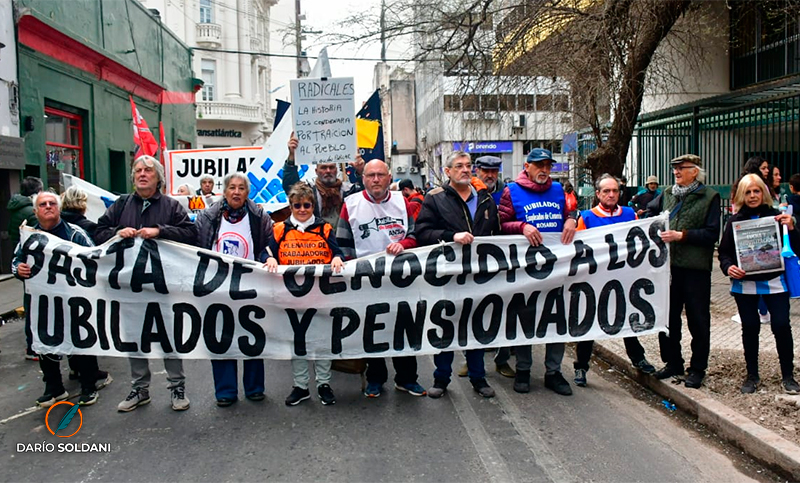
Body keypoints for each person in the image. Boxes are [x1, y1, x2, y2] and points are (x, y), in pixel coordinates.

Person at [95, 155, 198, 412]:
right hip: (130, 286)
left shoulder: (171, 206)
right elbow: (99, 231)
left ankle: (177, 387)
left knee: (167, 337)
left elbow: (191, 234)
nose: (142, 174)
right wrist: (116, 233)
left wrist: (160, 230)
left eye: (148, 171)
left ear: (158, 178)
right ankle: (139, 388)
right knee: (133, 337)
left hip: (163, 286)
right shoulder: (121, 205)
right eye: (138, 170)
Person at [12, 191, 113, 407]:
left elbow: (93, 259)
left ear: (59, 208)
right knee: (45, 342)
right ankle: (54, 388)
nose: (48, 207)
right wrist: (18, 269)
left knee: (81, 342)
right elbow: (16, 260)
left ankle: (88, 386)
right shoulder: (28, 236)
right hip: (43, 303)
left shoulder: (76, 234)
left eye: (52, 203)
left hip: (75, 302)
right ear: (35, 210)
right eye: (43, 204)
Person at [336, 159, 427, 398]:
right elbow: (343, 244)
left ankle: (407, 379)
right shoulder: (351, 204)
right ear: (363, 178)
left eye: (380, 175)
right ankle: (375, 379)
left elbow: (415, 234)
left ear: (389, 178)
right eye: (371, 175)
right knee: (372, 330)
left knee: (404, 329)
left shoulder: (402, 202)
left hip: (401, 279)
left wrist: (404, 244)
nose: (376, 180)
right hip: (367, 281)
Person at [415, 151, 499, 399]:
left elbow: (498, 231)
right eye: (459, 166)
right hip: (447, 277)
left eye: (468, 165)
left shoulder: (485, 198)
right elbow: (422, 232)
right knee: (446, 328)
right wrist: (452, 237)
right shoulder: (435, 198)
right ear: (448, 172)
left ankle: (478, 378)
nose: (465, 170)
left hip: (478, 275)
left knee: (475, 328)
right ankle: (441, 379)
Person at [498, 148, 577, 396]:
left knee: (557, 318)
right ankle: (523, 369)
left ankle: (553, 371)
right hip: (526, 269)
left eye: (547, 165)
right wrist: (522, 226)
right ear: (527, 166)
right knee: (526, 318)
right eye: (539, 165)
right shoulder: (512, 191)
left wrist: (572, 219)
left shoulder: (558, 190)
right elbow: (500, 224)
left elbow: (570, 213)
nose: (544, 170)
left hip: (556, 268)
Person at [195, 172, 273, 407]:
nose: (236, 192)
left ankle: (254, 387)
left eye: (241, 188)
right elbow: (196, 247)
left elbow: (267, 244)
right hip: (217, 287)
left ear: (247, 193)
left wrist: (268, 257)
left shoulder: (259, 216)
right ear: (224, 192)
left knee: (253, 336)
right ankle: (226, 390)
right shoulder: (208, 217)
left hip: (251, 286)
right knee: (221, 338)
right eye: (232, 188)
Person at [718, 174, 799, 395]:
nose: (752, 196)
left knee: (781, 326)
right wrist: (728, 268)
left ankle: (788, 376)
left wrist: (792, 227)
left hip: (775, 282)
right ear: (742, 195)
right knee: (750, 328)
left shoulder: (777, 217)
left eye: (756, 191)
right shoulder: (734, 221)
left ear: (763, 192)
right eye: (748, 192)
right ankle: (752, 375)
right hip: (744, 284)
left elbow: (795, 247)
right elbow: (724, 252)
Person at [572, 174, 656, 387]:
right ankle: (581, 367)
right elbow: (578, 250)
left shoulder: (629, 214)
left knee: (628, 319)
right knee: (588, 324)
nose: (611, 195)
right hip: (595, 282)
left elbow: (642, 243)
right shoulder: (587, 217)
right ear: (598, 194)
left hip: (624, 279)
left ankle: (638, 358)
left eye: (615, 191)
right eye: (606, 191)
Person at [265, 183, 344, 406]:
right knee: (297, 342)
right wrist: (269, 258)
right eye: (297, 205)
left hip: (320, 296)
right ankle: (300, 386)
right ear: (290, 206)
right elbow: (268, 251)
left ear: (312, 206)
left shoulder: (325, 228)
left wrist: (337, 258)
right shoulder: (280, 229)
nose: (302, 209)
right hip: (291, 297)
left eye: (306, 205)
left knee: (321, 342)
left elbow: (336, 251)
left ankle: (323, 384)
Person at [647, 154, 720, 389]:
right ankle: (673, 362)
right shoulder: (667, 193)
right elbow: (651, 213)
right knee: (668, 318)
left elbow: (712, 234)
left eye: (681, 168)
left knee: (698, 320)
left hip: (695, 269)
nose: (676, 172)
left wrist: (682, 235)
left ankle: (697, 368)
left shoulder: (710, 197)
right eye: (674, 168)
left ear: (695, 171)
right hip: (668, 268)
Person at [283, 132, 360, 228]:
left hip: (343, 240)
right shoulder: (309, 191)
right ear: (316, 171)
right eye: (323, 168)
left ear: (336, 170)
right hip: (317, 240)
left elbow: (368, 193)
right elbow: (290, 187)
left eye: (331, 167)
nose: (328, 171)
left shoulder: (349, 190)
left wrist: (361, 171)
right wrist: (292, 157)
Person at [7, 176, 43, 361]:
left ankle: (32, 345)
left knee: (30, 304)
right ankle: (34, 345)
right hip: (32, 262)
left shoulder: (16, 208)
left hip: (22, 258)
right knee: (35, 306)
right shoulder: (31, 211)